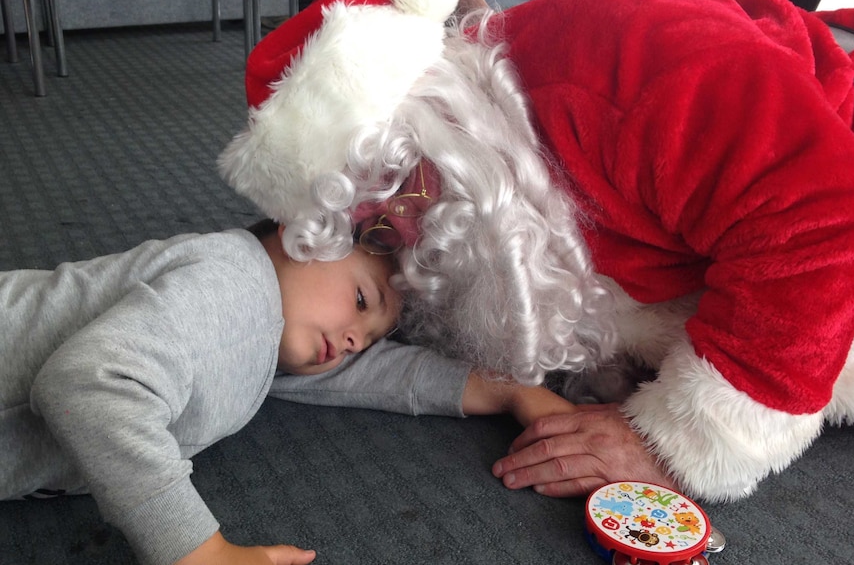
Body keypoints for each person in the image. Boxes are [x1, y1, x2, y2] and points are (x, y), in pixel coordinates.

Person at [218, 0, 854, 505]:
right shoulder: (482, 172)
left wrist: (671, 441)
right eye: (369, 237)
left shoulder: (627, 60)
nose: (404, 255)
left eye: (389, 211)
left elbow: (829, 223)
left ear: (427, 120)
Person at [0, 217, 579, 565]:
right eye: (360, 300)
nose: (354, 340)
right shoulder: (237, 286)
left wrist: (505, 391)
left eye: (368, 337)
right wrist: (196, 551)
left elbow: (377, 375)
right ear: (305, 233)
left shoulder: (271, 336)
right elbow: (90, 384)